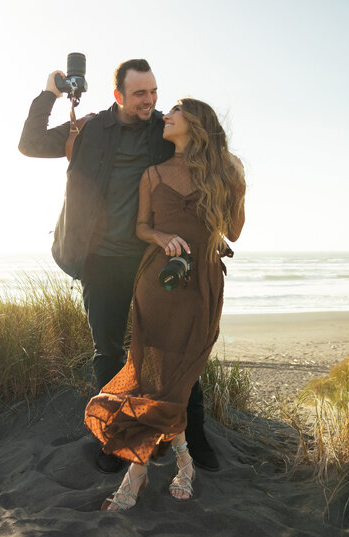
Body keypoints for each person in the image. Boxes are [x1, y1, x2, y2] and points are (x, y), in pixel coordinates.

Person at [18, 60, 220, 473]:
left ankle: (196, 436)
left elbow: (204, 151)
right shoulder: (87, 128)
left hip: (152, 258)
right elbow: (30, 142)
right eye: (140, 94)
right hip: (98, 260)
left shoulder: (163, 132)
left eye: (154, 92)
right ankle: (114, 439)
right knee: (108, 350)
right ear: (118, 96)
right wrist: (50, 95)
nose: (150, 102)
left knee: (174, 347)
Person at [84, 98, 246, 510]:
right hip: (159, 280)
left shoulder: (224, 173)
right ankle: (143, 473)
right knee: (152, 374)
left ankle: (184, 459)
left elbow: (235, 231)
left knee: (182, 375)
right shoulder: (153, 173)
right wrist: (161, 238)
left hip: (203, 283)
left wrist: (238, 182)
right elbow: (141, 226)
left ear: (195, 123)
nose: (165, 117)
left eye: (174, 110)